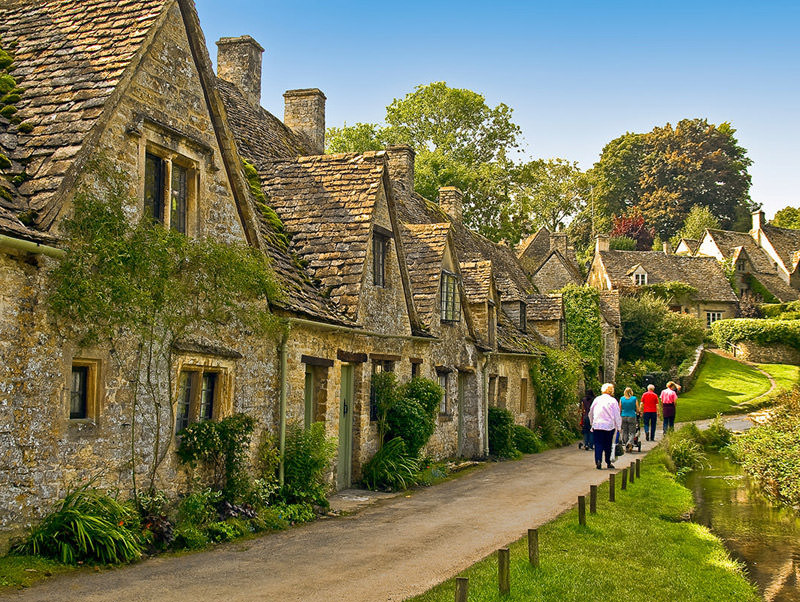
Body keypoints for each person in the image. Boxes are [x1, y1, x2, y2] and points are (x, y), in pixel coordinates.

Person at [589, 383, 622, 470]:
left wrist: (592, 423)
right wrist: (619, 427)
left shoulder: (597, 399)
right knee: (608, 444)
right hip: (608, 425)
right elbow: (616, 414)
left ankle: (598, 461)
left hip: (597, 425)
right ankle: (608, 461)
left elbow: (591, 412)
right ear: (611, 391)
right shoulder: (613, 401)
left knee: (598, 443)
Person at [619, 387, 639, 452]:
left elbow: (620, 408)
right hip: (632, 416)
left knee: (625, 431)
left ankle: (626, 443)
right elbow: (637, 408)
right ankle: (629, 443)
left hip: (623, 416)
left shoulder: (622, 398)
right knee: (632, 432)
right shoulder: (634, 398)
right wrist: (638, 412)